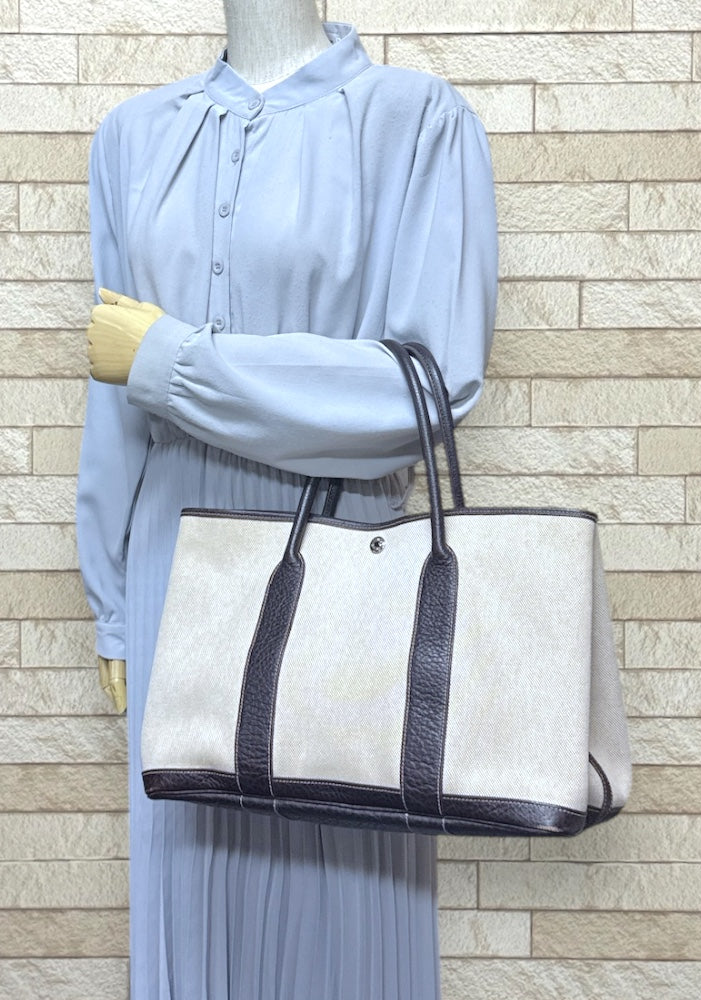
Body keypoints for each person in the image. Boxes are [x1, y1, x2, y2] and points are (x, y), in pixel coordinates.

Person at [76, 1, 498, 996]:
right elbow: (113, 398)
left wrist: (178, 363)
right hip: (174, 563)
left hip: (348, 558)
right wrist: (112, 599)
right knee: (193, 906)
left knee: (346, 904)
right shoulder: (133, 137)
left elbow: (426, 385)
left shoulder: (418, 122)